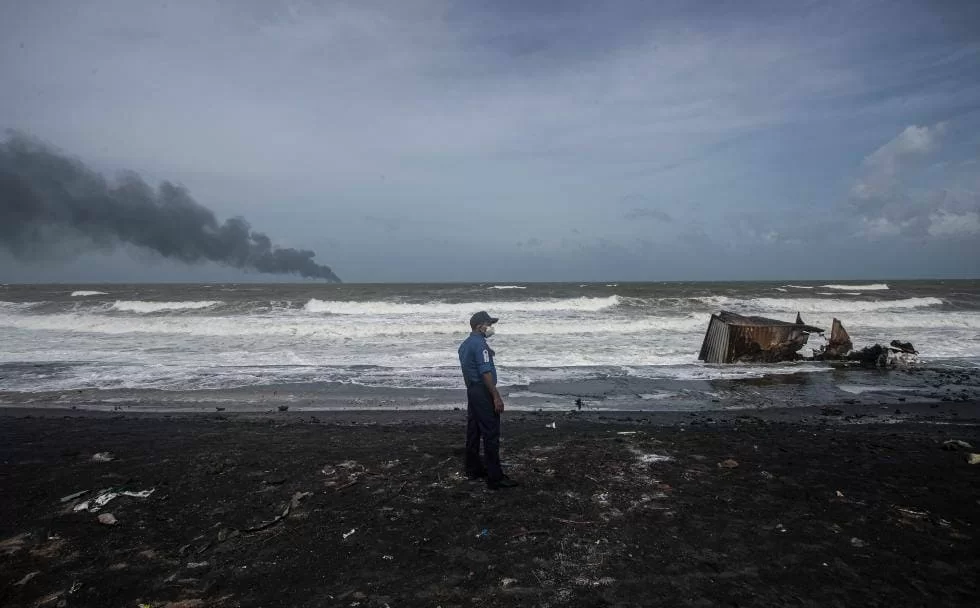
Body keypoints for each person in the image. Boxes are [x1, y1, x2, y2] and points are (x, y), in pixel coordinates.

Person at [458, 311, 518, 490]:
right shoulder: (480, 346)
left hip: (472, 391)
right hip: (483, 392)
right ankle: (495, 478)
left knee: (474, 431)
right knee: (491, 434)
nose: (491, 327)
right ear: (479, 326)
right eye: (488, 324)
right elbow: (485, 373)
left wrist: (487, 350)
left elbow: (471, 364)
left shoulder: (466, 344)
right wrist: (496, 396)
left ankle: (473, 469)